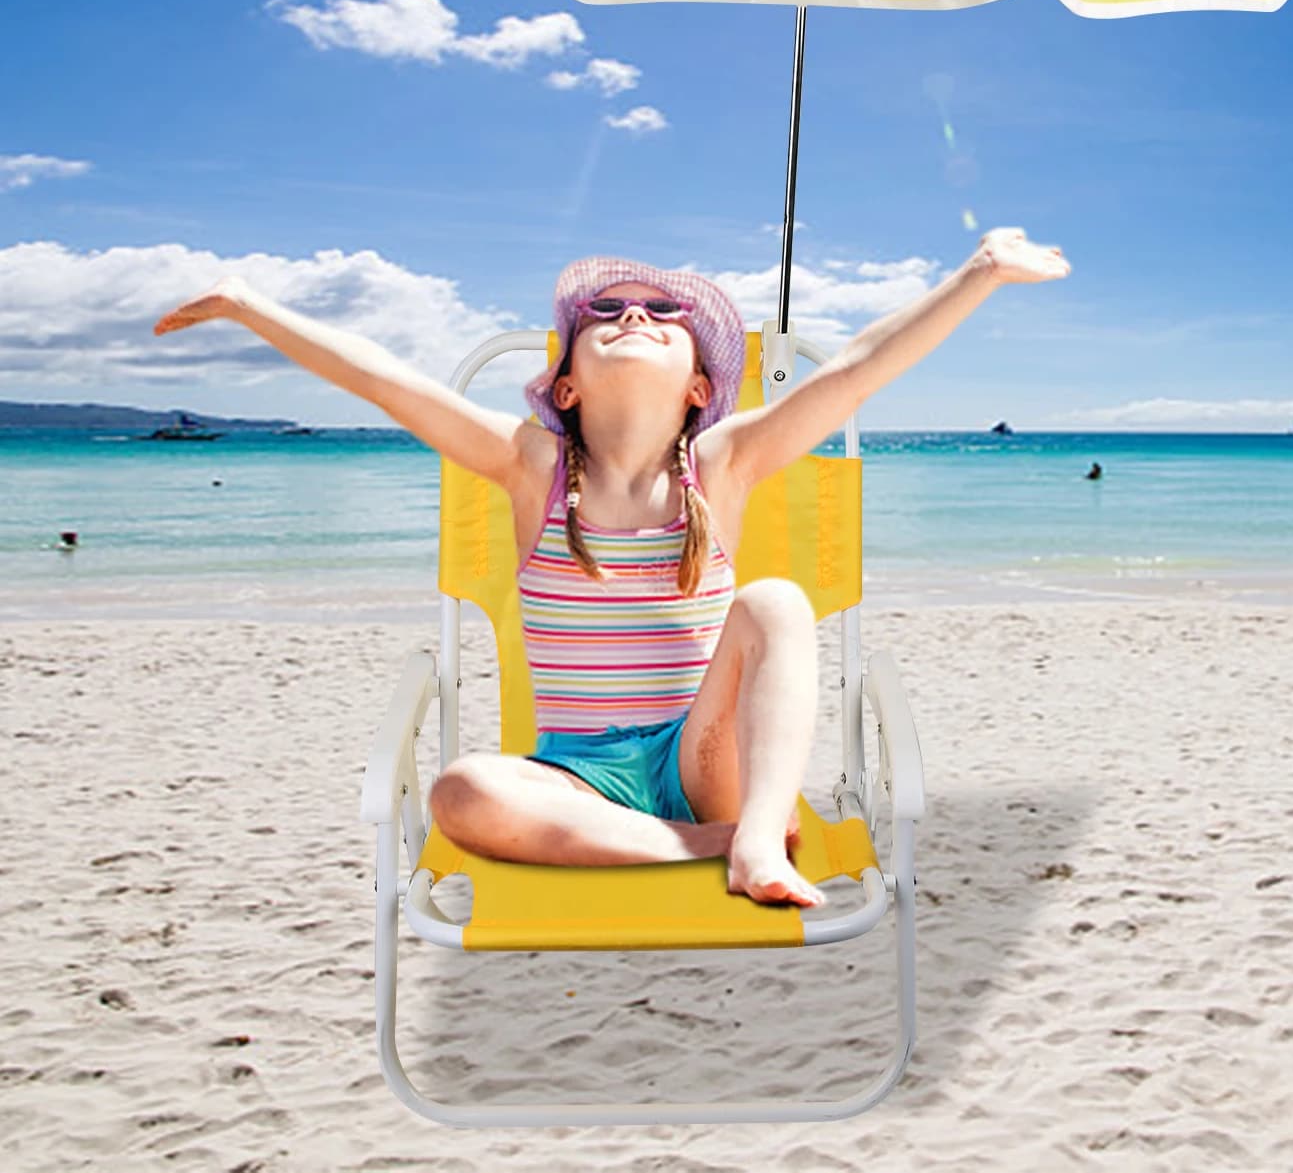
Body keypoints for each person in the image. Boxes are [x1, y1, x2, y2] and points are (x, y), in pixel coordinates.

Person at [153, 226, 1069, 908]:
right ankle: (708, 846)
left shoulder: (723, 464)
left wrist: (980, 270)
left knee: (777, 601)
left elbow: (856, 371)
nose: (636, 313)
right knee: (461, 789)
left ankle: (751, 833)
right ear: (567, 384)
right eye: (605, 314)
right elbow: (386, 381)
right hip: (576, 779)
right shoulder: (533, 469)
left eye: (665, 314)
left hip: (703, 750)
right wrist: (248, 303)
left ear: (701, 387)